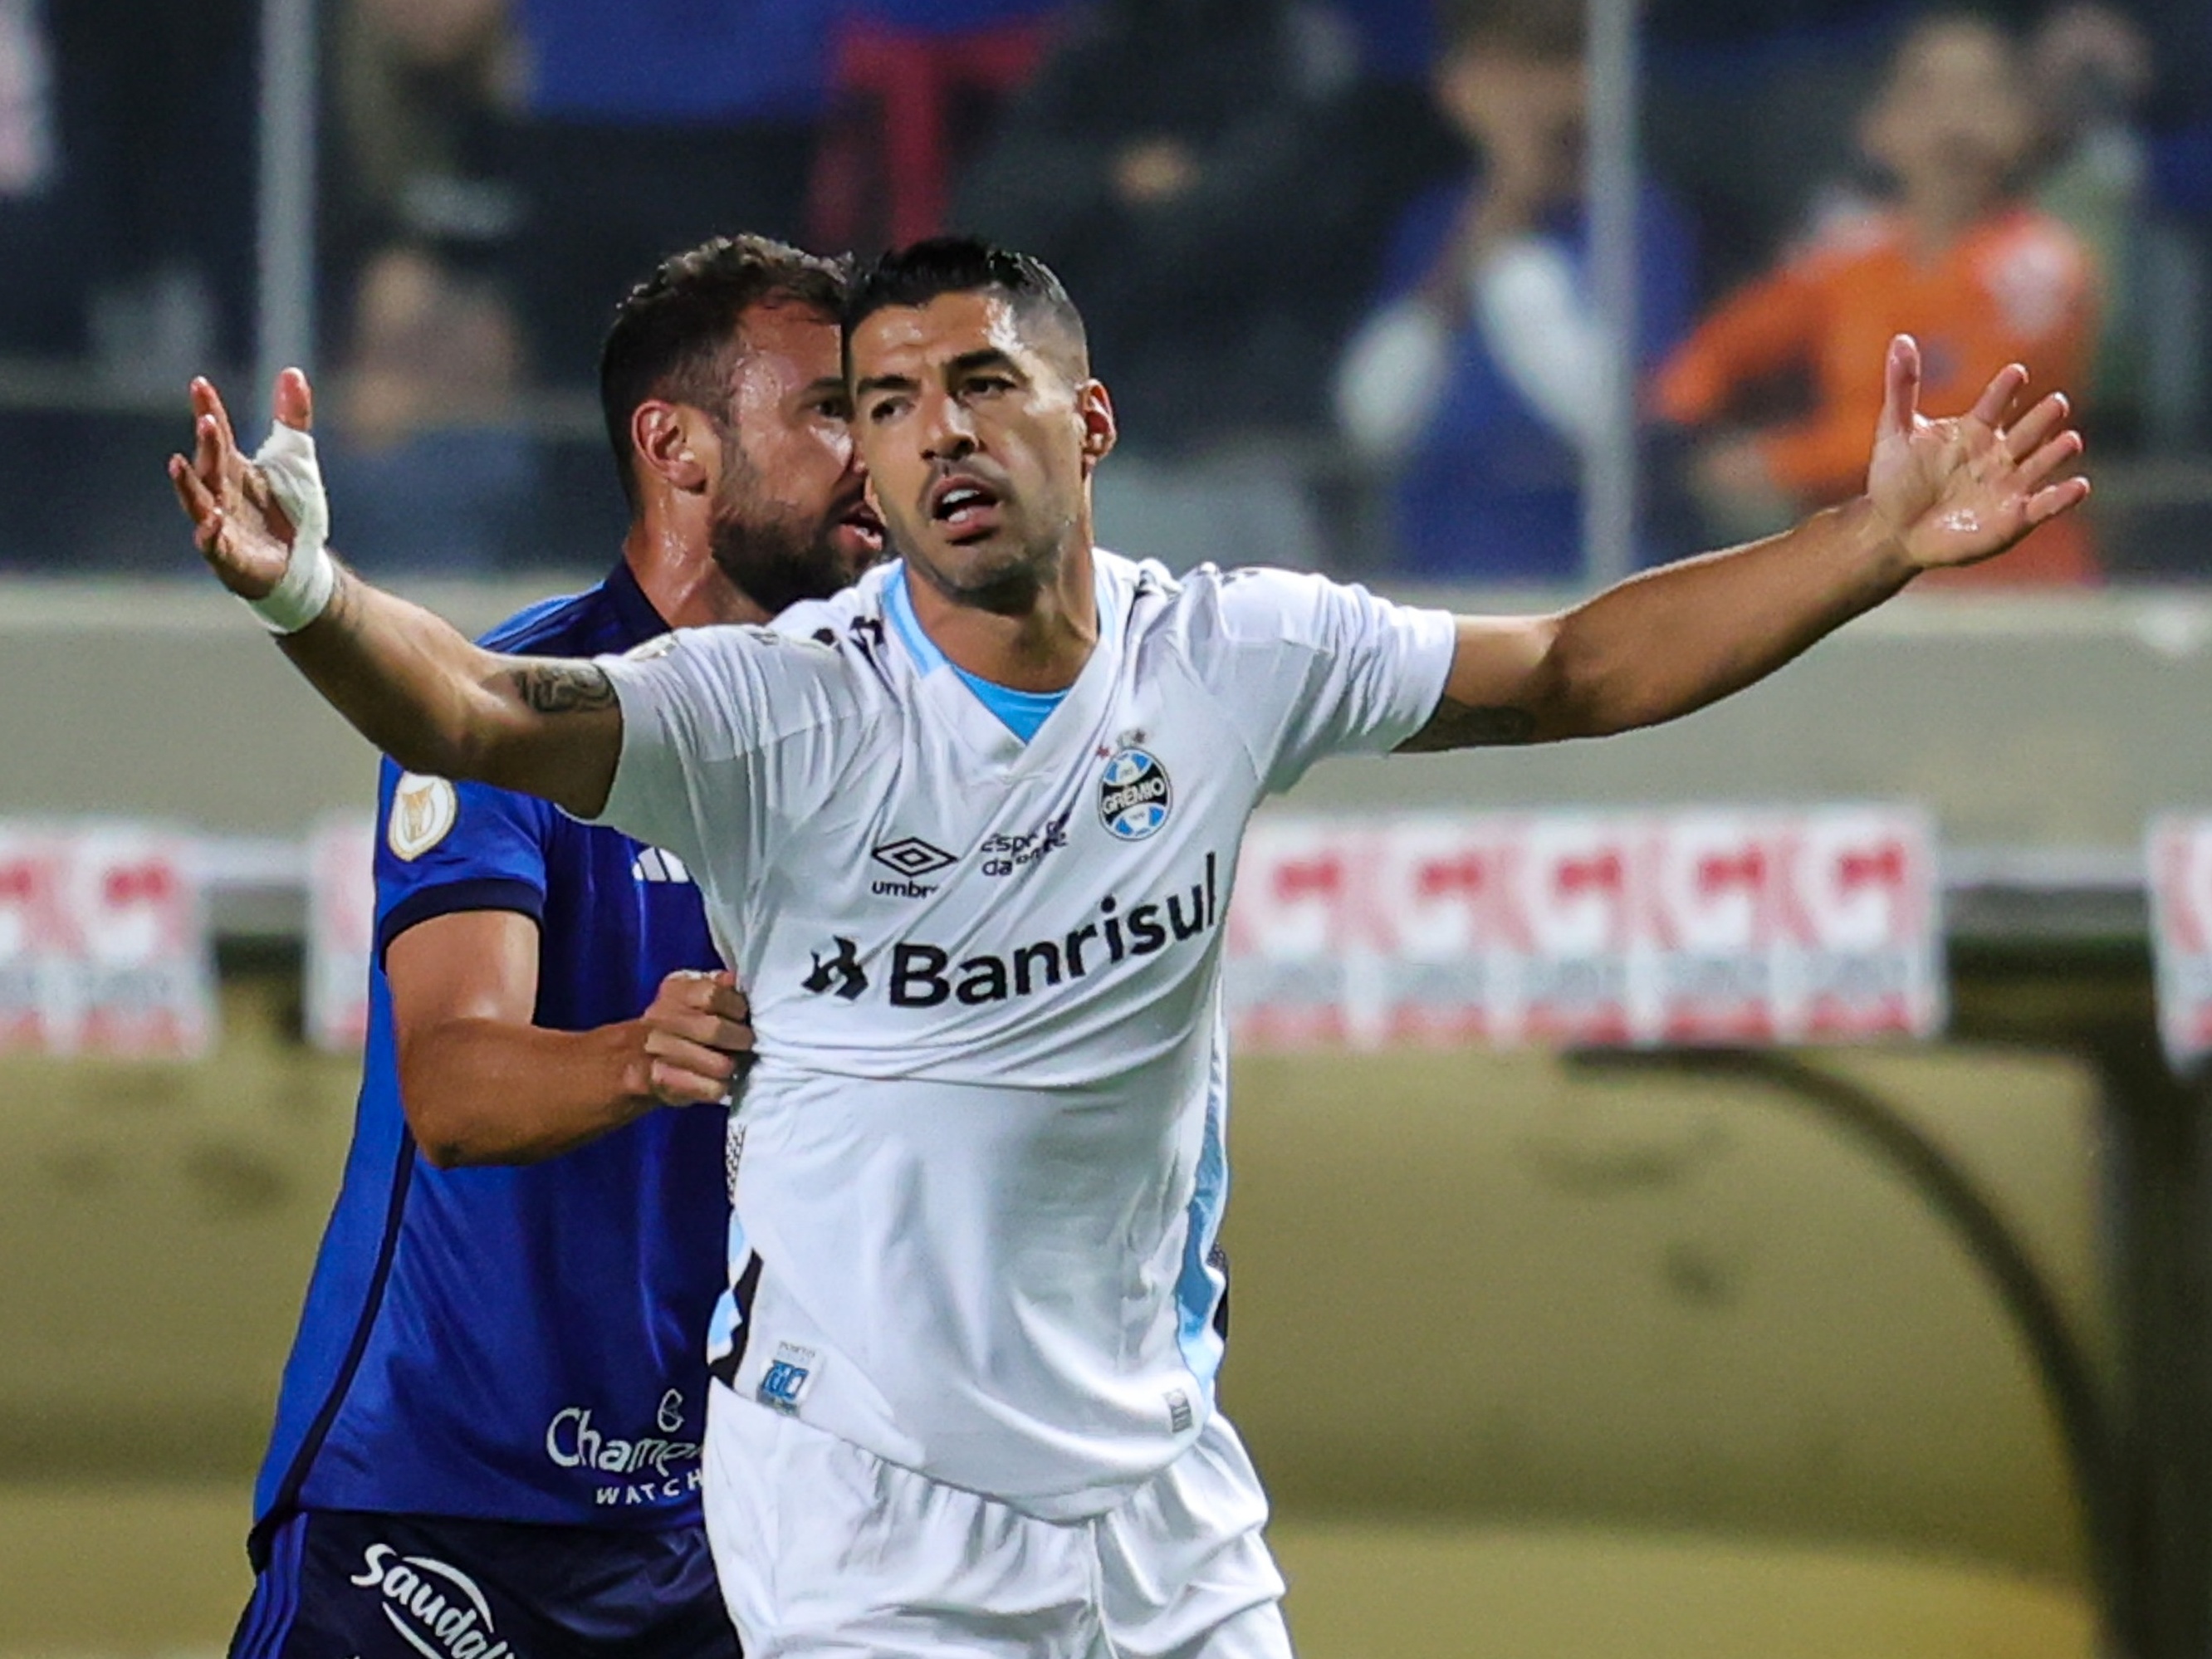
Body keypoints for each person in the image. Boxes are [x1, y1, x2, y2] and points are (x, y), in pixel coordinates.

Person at [171, 236, 2087, 1657]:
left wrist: (1865, 543)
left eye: (970, 384)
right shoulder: (777, 712)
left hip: (1158, 1509)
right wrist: (308, 591)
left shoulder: (1237, 655)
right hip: (860, 1527)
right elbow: (484, 720)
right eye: (882, 401)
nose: (924, 436)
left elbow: (1576, 667)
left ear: (1085, 420)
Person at [219, 234, 882, 1659]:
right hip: (433, 1520)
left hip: (722, 1528)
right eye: (829, 409)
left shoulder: (873, 739)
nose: (871, 456)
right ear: (676, 446)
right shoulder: (512, 713)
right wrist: (646, 1049)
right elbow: (454, 1087)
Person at [1653, 12, 2098, 584]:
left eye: (1983, 91)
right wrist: (1671, 420)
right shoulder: (1850, 256)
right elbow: (1731, 341)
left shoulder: (2039, 266)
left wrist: (1773, 461)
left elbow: (1951, 429)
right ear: (1879, 123)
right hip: (1869, 568)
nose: (1954, 118)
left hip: (2009, 579)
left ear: (2025, 122)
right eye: (1926, 90)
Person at [1334, 0, 1697, 581]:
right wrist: (1484, 233)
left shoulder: (1631, 220)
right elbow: (1373, 416)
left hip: (1584, 572)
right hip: (1435, 567)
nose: (1518, 94)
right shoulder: (1434, 221)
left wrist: (1513, 254)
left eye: (1540, 65)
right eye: (1494, 70)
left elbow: (1614, 418)